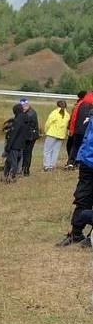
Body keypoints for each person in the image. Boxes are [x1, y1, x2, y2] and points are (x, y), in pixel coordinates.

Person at [57, 118, 93, 247]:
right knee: (82, 198)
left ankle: (90, 239)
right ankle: (76, 233)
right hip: (87, 164)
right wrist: (80, 158)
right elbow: (86, 138)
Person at [2, 100, 31, 182]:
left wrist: (8, 146)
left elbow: (13, 135)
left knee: (12, 161)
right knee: (14, 161)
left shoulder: (17, 120)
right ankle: (7, 175)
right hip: (21, 144)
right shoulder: (26, 119)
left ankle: (10, 176)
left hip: (14, 145)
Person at [66, 90, 93, 170]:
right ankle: (78, 162)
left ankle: (71, 162)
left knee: (75, 146)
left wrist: (71, 129)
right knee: (83, 146)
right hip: (86, 131)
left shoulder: (78, 105)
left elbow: (73, 118)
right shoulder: (90, 105)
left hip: (77, 129)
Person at [43, 99, 69, 172]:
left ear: (57, 105)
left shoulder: (54, 112)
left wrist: (46, 131)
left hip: (52, 134)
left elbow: (48, 123)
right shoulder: (67, 114)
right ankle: (52, 165)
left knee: (47, 150)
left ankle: (47, 166)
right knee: (56, 151)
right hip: (61, 135)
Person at [18, 98, 40, 176]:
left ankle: (26, 170)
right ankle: (24, 169)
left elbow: (23, 123)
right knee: (26, 153)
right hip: (29, 135)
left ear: (27, 105)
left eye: (24, 106)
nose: (22, 107)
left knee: (27, 153)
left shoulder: (30, 113)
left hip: (30, 137)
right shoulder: (29, 112)